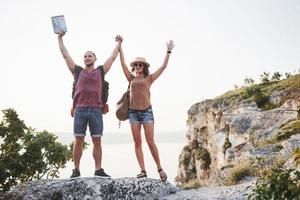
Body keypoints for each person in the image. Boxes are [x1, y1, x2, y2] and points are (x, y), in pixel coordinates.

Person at [58, 32, 122, 178]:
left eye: (90, 55)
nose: (87, 57)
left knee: (97, 140)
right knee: (78, 140)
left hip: (96, 110)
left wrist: (118, 44)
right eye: (85, 56)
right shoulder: (77, 71)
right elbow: (65, 55)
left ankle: (98, 170)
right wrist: (59, 39)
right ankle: (76, 170)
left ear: (95, 59)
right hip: (79, 109)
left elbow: (112, 58)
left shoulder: (100, 71)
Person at [118, 39, 175, 181]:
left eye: (140, 65)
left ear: (144, 67)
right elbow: (123, 64)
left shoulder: (149, 78)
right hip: (133, 113)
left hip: (146, 112)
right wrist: (120, 47)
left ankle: (160, 169)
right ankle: (143, 170)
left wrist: (168, 51)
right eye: (136, 65)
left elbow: (163, 66)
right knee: (137, 143)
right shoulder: (130, 78)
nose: (137, 66)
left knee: (150, 141)